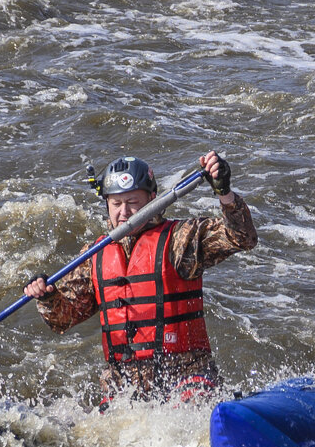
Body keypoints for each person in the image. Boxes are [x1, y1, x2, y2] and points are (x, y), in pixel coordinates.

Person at [24, 150, 257, 407]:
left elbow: (242, 237)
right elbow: (64, 318)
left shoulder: (181, 239)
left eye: (133, 202)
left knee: (190, 408)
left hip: (186, 376)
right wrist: (47, 297)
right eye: (116, 204)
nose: (124, 212)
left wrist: (225, 194)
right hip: (124, 387)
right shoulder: (94, 255)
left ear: (152, 199)